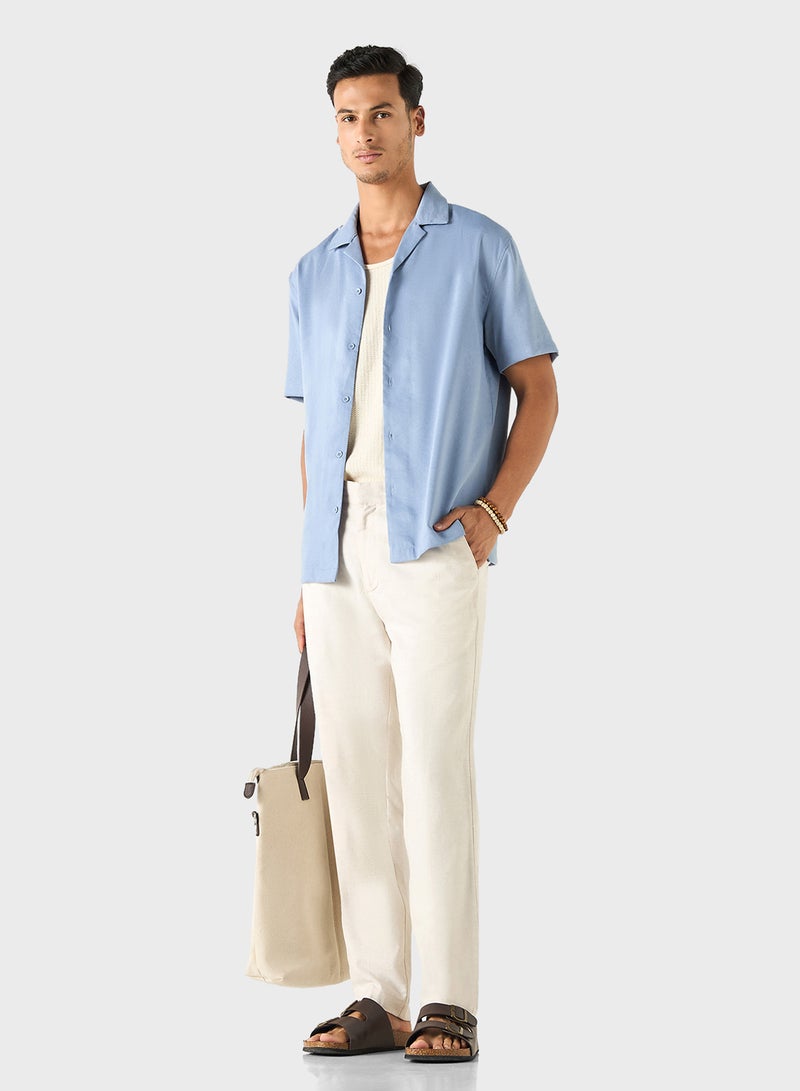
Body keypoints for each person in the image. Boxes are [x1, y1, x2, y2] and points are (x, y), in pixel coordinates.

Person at [285, 44, 560, 1063]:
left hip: (437, 543)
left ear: (416, 120)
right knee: (357, 774)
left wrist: (493, 511)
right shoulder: (312, 270)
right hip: (336, 553)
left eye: (382, 113)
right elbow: (315, 432)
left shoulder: (478, 246)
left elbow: (539, 390)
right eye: (347, 116)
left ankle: (447, 997)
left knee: (434, 766)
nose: (364, 133)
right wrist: (307, 568)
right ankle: (379, 993)